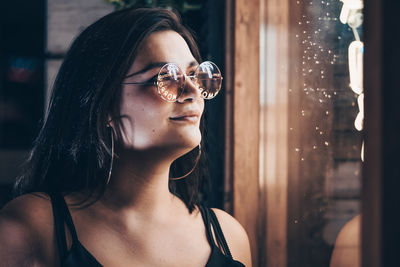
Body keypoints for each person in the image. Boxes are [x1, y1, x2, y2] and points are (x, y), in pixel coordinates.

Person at [0, 7, 251, 267]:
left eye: (194, 75)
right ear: (103, 105)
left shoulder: (230, 238)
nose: (192, 91)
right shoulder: (32, 228)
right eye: (164, 78)